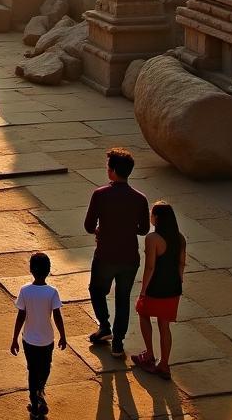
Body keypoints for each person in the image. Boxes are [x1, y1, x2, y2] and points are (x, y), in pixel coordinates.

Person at [83, 147, 151, 359]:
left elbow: (88, 225)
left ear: (112, 170)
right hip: (129, 257)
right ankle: (118, 344)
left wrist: (100, 230)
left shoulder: (100, 194)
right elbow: (143, 229)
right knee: (123, 298)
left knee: (96, 290)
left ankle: (104, 326)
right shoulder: (140, 198)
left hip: (106, 255)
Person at [132, 201, 186, 380]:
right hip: (173, 287)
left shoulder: (152, 239)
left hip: (156, 286)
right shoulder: (180, 238)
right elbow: (181, 265)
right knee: (165, 325)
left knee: (143, 313)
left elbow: (150, 268)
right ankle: (164, 364)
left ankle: (149, 354)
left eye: (152, 214)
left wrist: (143, 290)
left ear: (157, 218)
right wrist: (179, 284)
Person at [11, 252, 67, 419]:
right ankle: (39, 392)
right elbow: (57, 315)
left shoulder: (25, 291)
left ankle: (35, 401)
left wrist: (14, 339)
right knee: (45, 367)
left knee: (32, 369)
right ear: (49, 270)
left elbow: (20, 316)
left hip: (29, 339)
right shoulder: (52, 292)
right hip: (47, 340)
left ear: (31, 270)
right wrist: (63, 335)